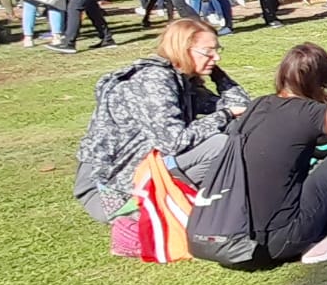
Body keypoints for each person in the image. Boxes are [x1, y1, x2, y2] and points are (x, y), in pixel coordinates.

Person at [72, 17, 249, 222]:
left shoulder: (181, 79)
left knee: (234, 129)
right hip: (108, 185)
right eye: (208, 51)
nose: (216, 57)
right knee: (220, 144)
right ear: (182, 49)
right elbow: (173, 141)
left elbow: (242, 109)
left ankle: (188, 207)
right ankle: (164, 210)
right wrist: (225, 115)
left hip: (144, 167)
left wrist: (218, 75)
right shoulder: (153, 80)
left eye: (217, 50)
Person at [233, 42, 327, 265]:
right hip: (282, 238)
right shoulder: (313, 113)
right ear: (320, 79)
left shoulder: (258, 106)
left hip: (242, 234)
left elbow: (317, 144)